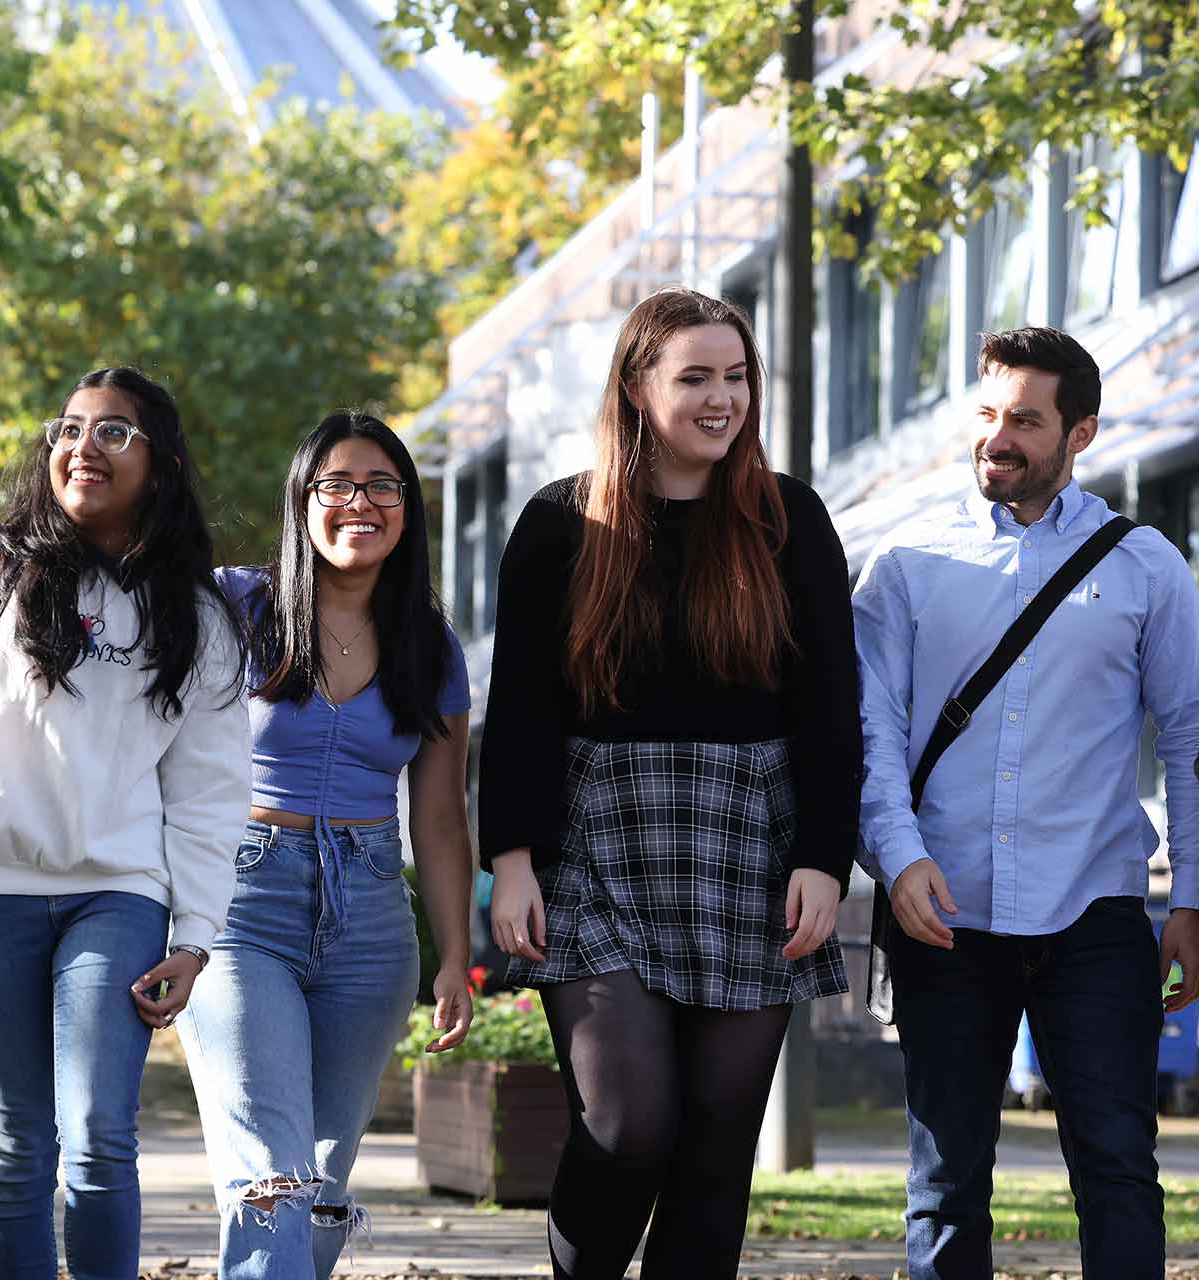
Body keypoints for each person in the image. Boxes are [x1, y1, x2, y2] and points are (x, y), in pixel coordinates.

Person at [481, 287, 860, 1279]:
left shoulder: (792, 520)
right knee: (627, 1123)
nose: (721, 397)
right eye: (695, 376)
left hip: (752, 844)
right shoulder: (560, 523)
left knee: (715, 1149)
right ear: (636, 387)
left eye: (736, 376)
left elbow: (831, 708)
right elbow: (519, 703)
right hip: (598, 843)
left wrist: (824, 856)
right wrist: (511, 859)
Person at [0, 366, 249, 1280]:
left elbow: (209, 792)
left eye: (113, 433)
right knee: (12, 1152)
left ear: (159, 464)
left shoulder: (197, 616)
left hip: (115, 896)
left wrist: (195, 938)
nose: (82, 448)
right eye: (69, 429)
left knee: (97, 1138)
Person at [853, 325, 1199, 1278]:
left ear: (1079, 434)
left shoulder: (1147, 567)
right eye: (989, 413)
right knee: (945, 1184)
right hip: (942, 909)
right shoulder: (905, 562)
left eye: (1027, 421)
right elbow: (868, 733)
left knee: (1120, 1168)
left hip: (1095, 910)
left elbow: (1190, 741)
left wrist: (1195, 902)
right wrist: (897, 854)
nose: (998, 437)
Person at [176, 411, 476, 1279]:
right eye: (336, 485)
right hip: (239, 904)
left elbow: (443, 820)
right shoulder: (234, 606)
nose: (361, 503)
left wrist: (454, 955)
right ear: (302, 501)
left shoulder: (432, 647)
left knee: (324, 1177)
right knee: (272, 1172)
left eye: (384, 486)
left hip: (373, 912)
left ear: (408, 511)